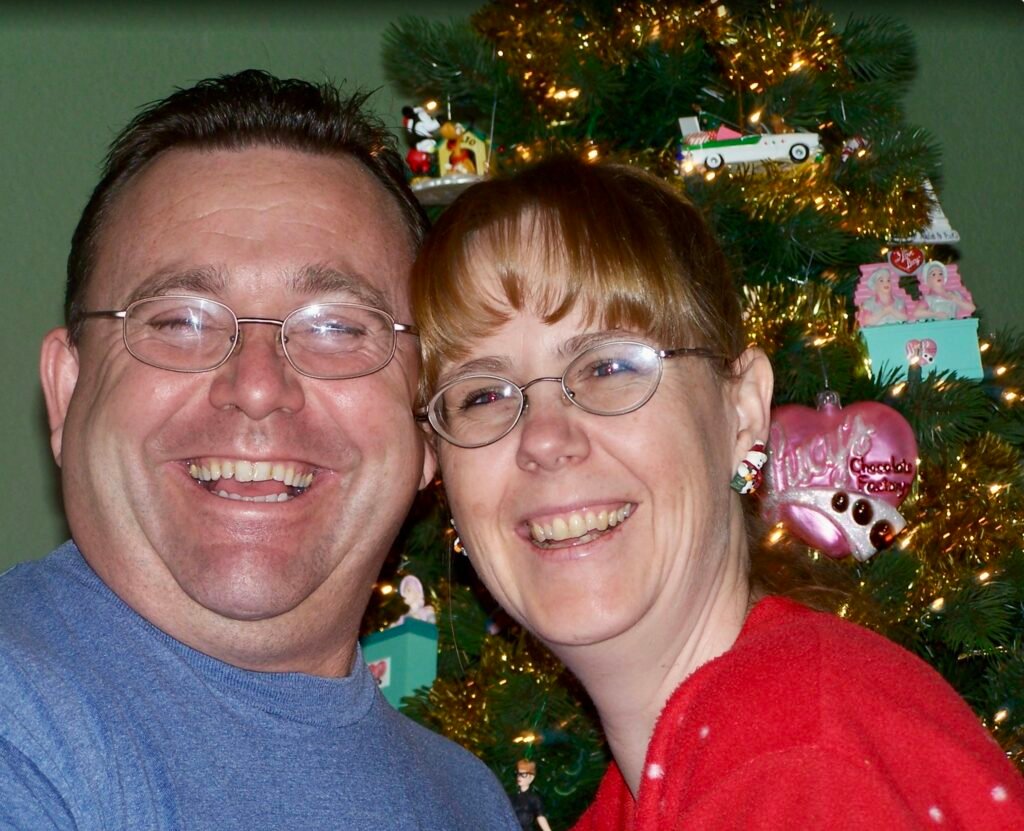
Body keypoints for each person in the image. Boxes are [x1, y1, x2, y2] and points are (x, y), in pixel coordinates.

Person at [410, 156, 1024, 829]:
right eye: (483, 395)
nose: (545, 439)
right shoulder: (670, 782)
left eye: (610, 365)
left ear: (742, 412)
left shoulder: (798, 754)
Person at [0, 70, 518, 830]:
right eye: (180, 320)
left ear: (426, 422)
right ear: (66, 390)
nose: (257, 385)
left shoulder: (469, 801)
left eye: (338, 327)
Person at [512, 759, 554, 831]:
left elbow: (540, 817)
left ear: (531, 777)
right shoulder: (512, 796)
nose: (519, 777)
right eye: (518, 774)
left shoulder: (534, 798)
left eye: (523, 775)